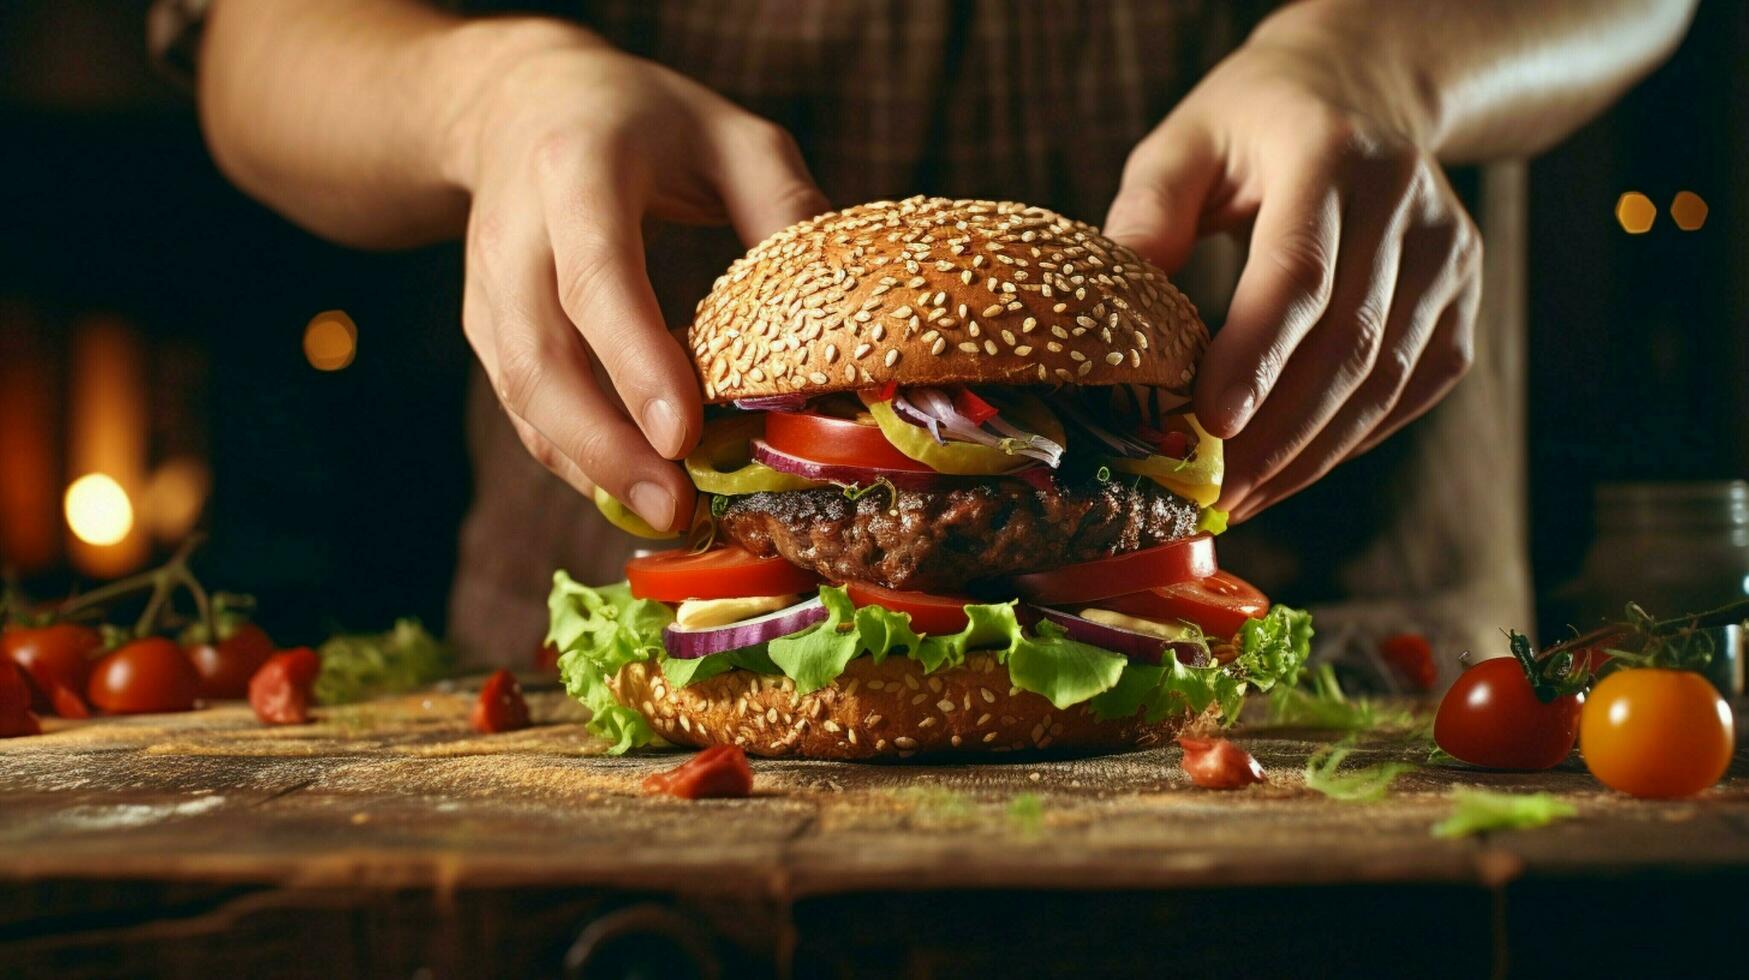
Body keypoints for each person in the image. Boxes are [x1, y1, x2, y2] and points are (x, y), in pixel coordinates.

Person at [156, 0, 1695, 672]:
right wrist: (483, 94)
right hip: (647, 642)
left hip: (1348, 630)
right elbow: (241, 26)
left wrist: (1379, 61)